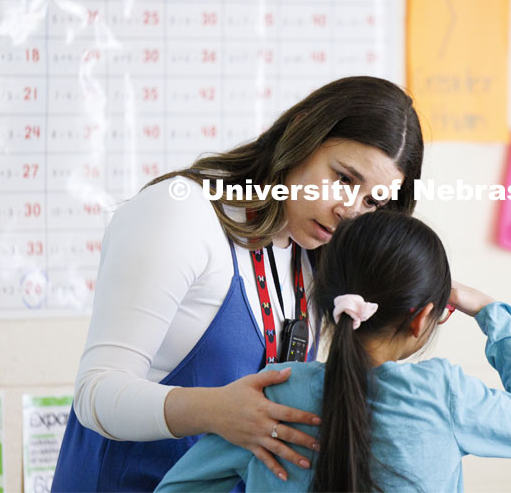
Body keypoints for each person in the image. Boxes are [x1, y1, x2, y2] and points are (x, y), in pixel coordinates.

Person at [51, 76, 424, 492]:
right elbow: (95, 392)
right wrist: (216, 411)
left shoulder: (315, 253)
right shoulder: (182, 214)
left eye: (373, 202)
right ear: (302, 132)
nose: (349, 211)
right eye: (344, 179)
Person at [156, 211, 511, 492]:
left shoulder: (276, 394)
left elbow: (178, 487)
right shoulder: (444, 394)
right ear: (422, 317)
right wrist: (492, 314)